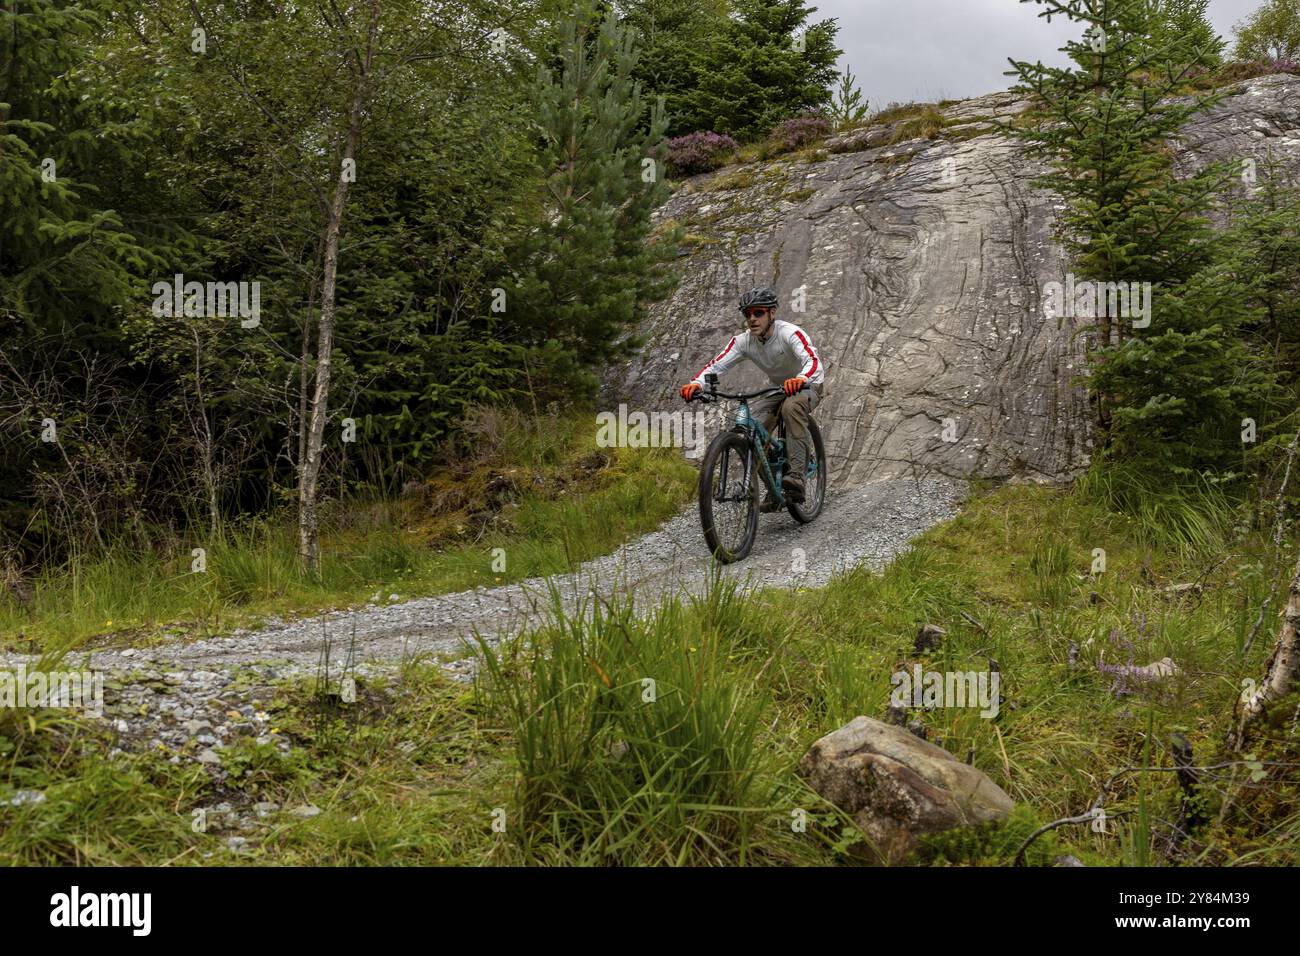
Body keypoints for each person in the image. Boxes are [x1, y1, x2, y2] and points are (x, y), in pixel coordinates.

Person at [680, 287, 826, 506]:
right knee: (752, 428)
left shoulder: (789, 333)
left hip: (807, 383)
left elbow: (813, 361)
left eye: (758, 313)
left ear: (772, 313)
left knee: (791, 409)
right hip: (777, 388)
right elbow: (717, 364)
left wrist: (801, 378)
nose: (752, 319)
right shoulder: (743, 341)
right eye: (747, 314)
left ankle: (796, 476)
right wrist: (696, 383)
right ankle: (775, 485)